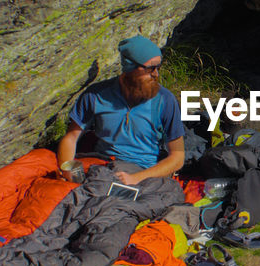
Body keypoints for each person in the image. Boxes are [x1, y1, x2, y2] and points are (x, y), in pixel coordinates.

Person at [57, 35, 185, 185]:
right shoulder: (96, 95)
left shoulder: (165, 100)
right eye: (150, 68)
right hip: (103, 166)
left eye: (158, 67)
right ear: (130, 67)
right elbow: (71, 138)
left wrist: (135, 178)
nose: (156, 74)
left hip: (144, 172)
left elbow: (177, 157)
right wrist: (68, 169)